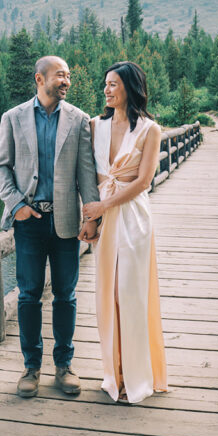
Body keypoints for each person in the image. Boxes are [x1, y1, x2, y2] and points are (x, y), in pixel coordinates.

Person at [0, 55, 100, 398]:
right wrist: (17, 206)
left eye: (68, 75)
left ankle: (64, 366)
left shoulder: (80, 119)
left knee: (66, 295)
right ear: (40, 79)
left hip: (67, 221)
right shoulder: (12, 118)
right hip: (30, 222)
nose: (66, 81)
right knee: (28, 295)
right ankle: (31, 368)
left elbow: (86, 173)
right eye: (60, 75)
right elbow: (2, 168)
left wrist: (91, 217)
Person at [79, 61, 168, 404]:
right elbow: (87, 174)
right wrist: (91, 217)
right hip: (103, 216)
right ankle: (113, 373)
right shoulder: (93, 125)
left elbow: (144, 181)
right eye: (105, 84)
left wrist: (105, 206)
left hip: (132, 217)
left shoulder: (150, 130)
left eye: (113, 84)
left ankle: (137, 376)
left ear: (130, 87)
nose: (106, 90)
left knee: (130, 295)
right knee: (107, 295)